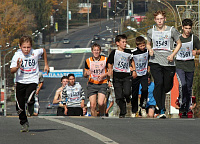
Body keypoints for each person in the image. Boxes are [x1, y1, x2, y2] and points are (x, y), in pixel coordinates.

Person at [146, 10, 182, 118]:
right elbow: (148, 44)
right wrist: (150, 50)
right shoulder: (150, 31)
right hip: (155, 61)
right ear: (155, 20)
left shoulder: (172, 30)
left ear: (165, 19)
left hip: (168, 62)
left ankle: (159, 100)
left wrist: (173, 55)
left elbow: (179, 43)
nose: (159, 21)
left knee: (167, 86)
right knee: (159, 83)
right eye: (157, 19)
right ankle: (161, 109)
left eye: (161, 19)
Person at [10, 35, 49, 132]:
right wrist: (17, 66)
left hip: (32, 80)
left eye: (28, 47)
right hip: (20, 82)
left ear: (31, 47)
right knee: (19, 106)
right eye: (24, 47)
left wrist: (46, 64)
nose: (26, 50)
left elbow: (43, 50)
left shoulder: (35, 53)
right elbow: (11, 70)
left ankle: (31, 104)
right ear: (20, 46)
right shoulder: (17, 56)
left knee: (30, 97)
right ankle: (24, 123)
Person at [175, 18, 200, 117]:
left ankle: (186, 108)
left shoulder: (194, 38)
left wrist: (197, 52)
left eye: (189, 28)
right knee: (183, 84)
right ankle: (181, 103)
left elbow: (199, 49)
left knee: (189, 88)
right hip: (179, 65)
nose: (188, 30)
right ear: (182, 28)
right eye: (186, 28)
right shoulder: (178, 38)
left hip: (190, 66)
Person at [107, 34, 134, 118]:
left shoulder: (129, 52)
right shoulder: (114, 53)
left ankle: (128, 97)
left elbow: (132, 61)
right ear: (117, 43)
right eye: (123, 42)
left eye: (126, 42)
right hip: (117, 77)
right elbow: (109, 62)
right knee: (118, 97)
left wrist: (134, 69)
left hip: (126, 76)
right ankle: (123, 111)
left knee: (127, 92)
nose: (125, 44)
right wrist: (110, 70)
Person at [84, 43, 109, 116]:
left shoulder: (105, 59)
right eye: (94, 50)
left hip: (102, 83)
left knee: (101, 103)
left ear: (100, 51)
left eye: (98, 50)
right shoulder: (88, 61)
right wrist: (87, 73)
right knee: (92, 105)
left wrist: (104, 75)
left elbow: (110, 71)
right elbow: (85, 74)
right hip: (92, 84)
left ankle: (102, 115)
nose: (96, 52)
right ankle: (94, 120)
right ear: (92, 51)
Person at [131, 36, 149, 118]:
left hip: (144, 73)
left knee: (145, 89)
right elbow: (131, 61)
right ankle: (134, 110)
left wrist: (148, 70)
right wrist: (133, 71)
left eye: (143, 45)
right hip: (136, 74)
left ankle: (143, 107)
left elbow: (149, 61)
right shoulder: (133, 52)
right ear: (137, 45)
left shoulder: (147, 51)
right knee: (134, 93)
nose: (143, 47)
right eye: (141, 46)